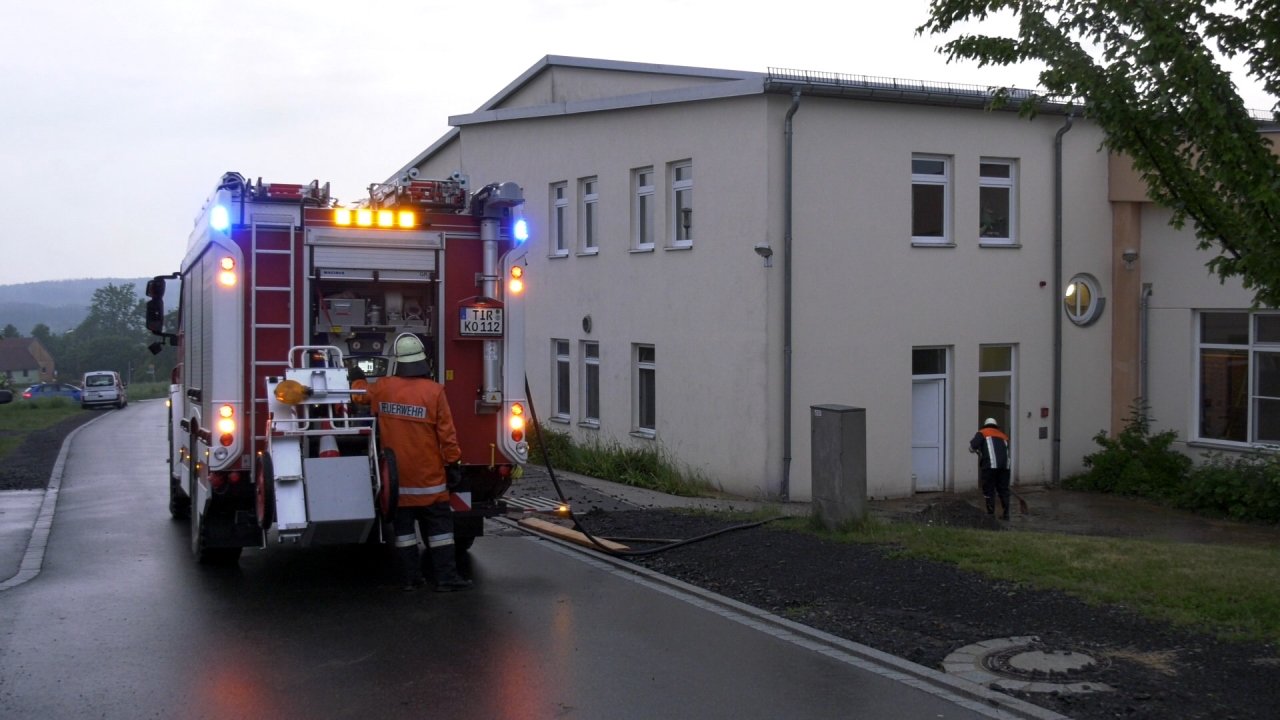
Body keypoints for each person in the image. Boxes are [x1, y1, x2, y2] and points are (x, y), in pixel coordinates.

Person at [366, 334, 472, 592]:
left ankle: (411, 579)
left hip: (397, 482)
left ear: (398, 362)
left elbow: (361, 396)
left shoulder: (383, 388)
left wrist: (356, 377)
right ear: (423, 361)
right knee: (441, 534)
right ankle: (446, 579)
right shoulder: (434, 392)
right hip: (430, 483)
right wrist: (453, 464)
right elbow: (447, 435)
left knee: (404, 534)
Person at [969, 417, 1011, 520]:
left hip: (990, 466)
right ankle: (1006, 514)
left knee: (989, 489)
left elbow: (973, 446)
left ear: (985, 425)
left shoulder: (982, 432)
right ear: (996, 426)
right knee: (1003, 489)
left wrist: (973, 449)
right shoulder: (1003, 436)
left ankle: (990, 513)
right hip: (1005, 466)